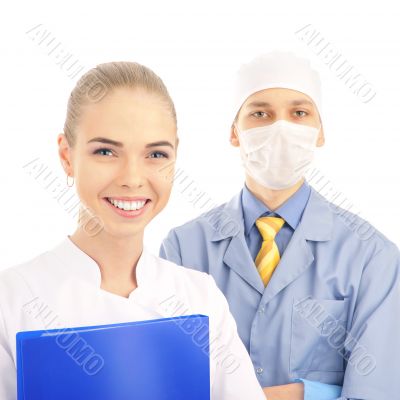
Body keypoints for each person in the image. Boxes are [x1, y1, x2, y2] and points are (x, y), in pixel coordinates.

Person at [0, 61, 267, 400]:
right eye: (106, 151)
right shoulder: (11, 300)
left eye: (155, 154)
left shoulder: (201, 297)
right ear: (67, 155)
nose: (132, 178)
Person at [160, 51, 400, 399]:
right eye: (260, 113)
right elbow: (169, 382)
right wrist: (312, 393)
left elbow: (379, 392)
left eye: (299, 113)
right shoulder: (184, 248)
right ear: (234, 133)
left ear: (319, 133)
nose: (281, 127)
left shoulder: (372, 257)